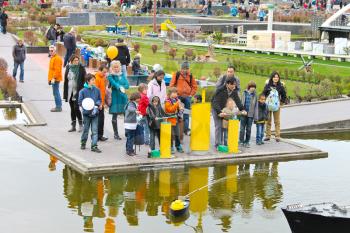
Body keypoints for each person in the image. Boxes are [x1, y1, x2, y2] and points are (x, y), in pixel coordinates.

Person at [211, 77, 246, 149]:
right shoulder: (220, 90)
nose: (234, 86)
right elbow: (215, 102)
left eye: (235, 84)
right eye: (232, 84)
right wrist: (219, 112)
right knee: (219, 126)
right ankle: (218, 145)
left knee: (225, 126)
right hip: (216, 109)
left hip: (225, 110)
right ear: (227, 84)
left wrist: (243, 110)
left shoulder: (234, 91)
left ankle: (225, 144)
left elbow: (238, 101)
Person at [169, 61, 198, 136]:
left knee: (186, 113)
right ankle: (176, 129)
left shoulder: (190, 76)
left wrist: (191, 95)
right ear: (181, 68)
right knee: (176, 112)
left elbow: (194, 87)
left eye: (187, 68)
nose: (185, 70)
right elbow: (171, 85)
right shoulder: (177, 75)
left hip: (187, 97)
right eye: (183, 68)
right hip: (178, 96)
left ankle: (186, 129)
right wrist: (175, 94)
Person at [78, 73, 102, 153]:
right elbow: (80, 102)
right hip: (86, 114)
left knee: (95, 130)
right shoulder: (82, 91)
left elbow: (99, 99)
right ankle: (83, 143)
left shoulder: (97, 90)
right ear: (88, 81)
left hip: (95, 113)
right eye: (92, 80)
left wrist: (97, 105)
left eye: (94, 79)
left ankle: (94, 146)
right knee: (86, 130)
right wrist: (87, 106)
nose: (94, 81)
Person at [63, 55, 86, 132]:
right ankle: (73, 126)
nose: (77, 62)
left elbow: (84, 79)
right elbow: (66, 80)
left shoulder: (81, 68)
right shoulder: (68, 67)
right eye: (75, 60)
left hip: (78, 91)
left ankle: (81, 124)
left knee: (76, 107)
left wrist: (82, 89)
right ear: (71, 61)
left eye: (77, 60)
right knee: (72, 108)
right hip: (70, 91)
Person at [263, 71, 287, 142]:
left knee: (277, 121)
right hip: (268, 105)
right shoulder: (267, 85)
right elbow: (263, 94)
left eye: (277, 77)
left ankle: (277, 136)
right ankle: (268, 135)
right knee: (268, 121)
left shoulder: (280, 86)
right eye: (274, 77)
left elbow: (284, 95)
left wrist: (281, 103)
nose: (276, 78)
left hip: (276, 106)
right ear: (272, 78)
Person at [108, 60, 129, 140]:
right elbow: (114, 84)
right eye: (114, 67)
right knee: (114, 115)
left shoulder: (122, 74)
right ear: (112, 68)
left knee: (126, 115)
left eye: (117, 67)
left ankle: (127, 132)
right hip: (115, 97)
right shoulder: (110, 76)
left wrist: (121, 86)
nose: (116, 69)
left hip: (123, 97)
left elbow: (127, 85)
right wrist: (120, 86)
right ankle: (116, 134)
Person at [165, 87, 184, 154]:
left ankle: (178, 146)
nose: (176, 94)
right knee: (170, 134)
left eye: (176, 93)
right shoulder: (167, 101)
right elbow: (170, 109)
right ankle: (171, 147)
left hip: (176, 119)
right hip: (169, 120)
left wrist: (181, 108)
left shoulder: (176, 100)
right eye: (174, 93)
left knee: (177, 134)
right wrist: (177, 104)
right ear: (170, 93)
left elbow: (179, 108)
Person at [239, 81, 258, 147]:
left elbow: (256, 107)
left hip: (250, 115)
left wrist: (255, 117)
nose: (253, 88)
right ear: (249, 87)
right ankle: (241, 141)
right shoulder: (244, 93)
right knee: (242, 129)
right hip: (243, 114)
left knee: (249, 129)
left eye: (254, 87)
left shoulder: (255, 96)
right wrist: (240, 112)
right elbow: (241, 103)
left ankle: (247, 142)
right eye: (251, 87)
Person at [95, 65, 109, 141]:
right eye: (104, 72)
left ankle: (100, 135)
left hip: (102, 102)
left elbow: (104, 90)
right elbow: (96, 92)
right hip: (98, 103)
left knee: (101, 119)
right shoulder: (96, 78)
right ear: (99, 70)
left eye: (106, 72)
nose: (105, 74)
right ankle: (96, 136)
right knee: (98, 120)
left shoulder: (103, 78)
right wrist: (99, 103)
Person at [48, 45, 63, 112]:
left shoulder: (57, 58)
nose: (51, 52)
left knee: (56, 92)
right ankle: (58, 106)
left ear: (55, 51)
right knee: (56, 92)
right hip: (53, 78)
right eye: (50, 51)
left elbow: (57, 70)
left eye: (52, 50)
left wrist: (53, 78)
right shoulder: (53, 57)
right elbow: (52, 70)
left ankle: (58, 107)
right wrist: (50, 79)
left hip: (55, 78)